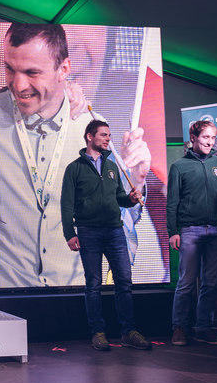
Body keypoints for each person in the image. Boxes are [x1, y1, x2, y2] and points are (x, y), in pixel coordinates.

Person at [0, 23, 159, 289]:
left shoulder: (94, 128)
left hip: (74, 297)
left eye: (32, 72)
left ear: (63, 69)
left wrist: (136, 182)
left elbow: (117, 217)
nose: (18, 85)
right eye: (10, 69)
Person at [61, 120, 151, 350]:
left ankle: (128, 332)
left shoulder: (112, 166)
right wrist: (69, 234)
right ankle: (98, 332)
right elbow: (66, 204)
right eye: (103, 135)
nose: (108, 139)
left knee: (124, 282)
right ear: (89, 137)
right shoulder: (74, 168)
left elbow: (119, 197)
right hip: (88, 231)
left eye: (109, 135)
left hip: (114, 230)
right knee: (93, 284)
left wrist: (130, 199)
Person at [167, 120, 217, 346]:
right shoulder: (179, 166)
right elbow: (172, 202)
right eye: (206, 137)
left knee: (210, 283)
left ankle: (203, 328)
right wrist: (173, 231)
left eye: (213, 138)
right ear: (193, 138)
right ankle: (179, 327)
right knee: (186, 282)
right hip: (190, 230)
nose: (210, 142)